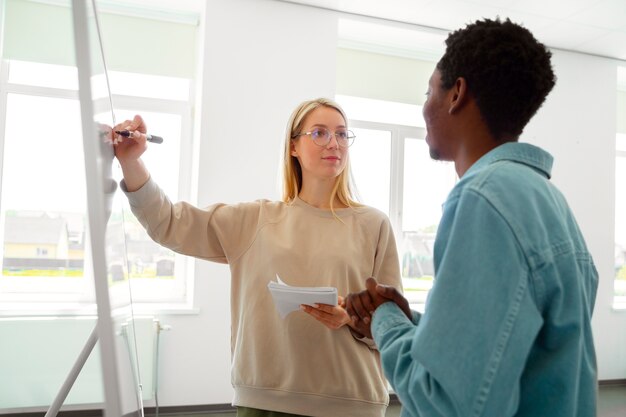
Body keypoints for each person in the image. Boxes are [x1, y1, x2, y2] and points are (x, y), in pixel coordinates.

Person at [345, 18, 599, 417]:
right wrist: (411, 318)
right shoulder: (548, 200)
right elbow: (514, 348)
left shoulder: (482, 199)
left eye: (429, 90)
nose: (424, 105)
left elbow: (447, 400)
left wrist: (385, 319)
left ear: (456, 93)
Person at [112, 97, 402, 417]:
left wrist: (351, 317)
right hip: (266, 402)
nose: (333, 142)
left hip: (351, 403)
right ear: (293, 146)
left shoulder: (374, 224)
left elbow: (393, 322)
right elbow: (168, 223)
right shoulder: (255, 219)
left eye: (342, 134)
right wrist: (131, 162)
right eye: (319, 133)